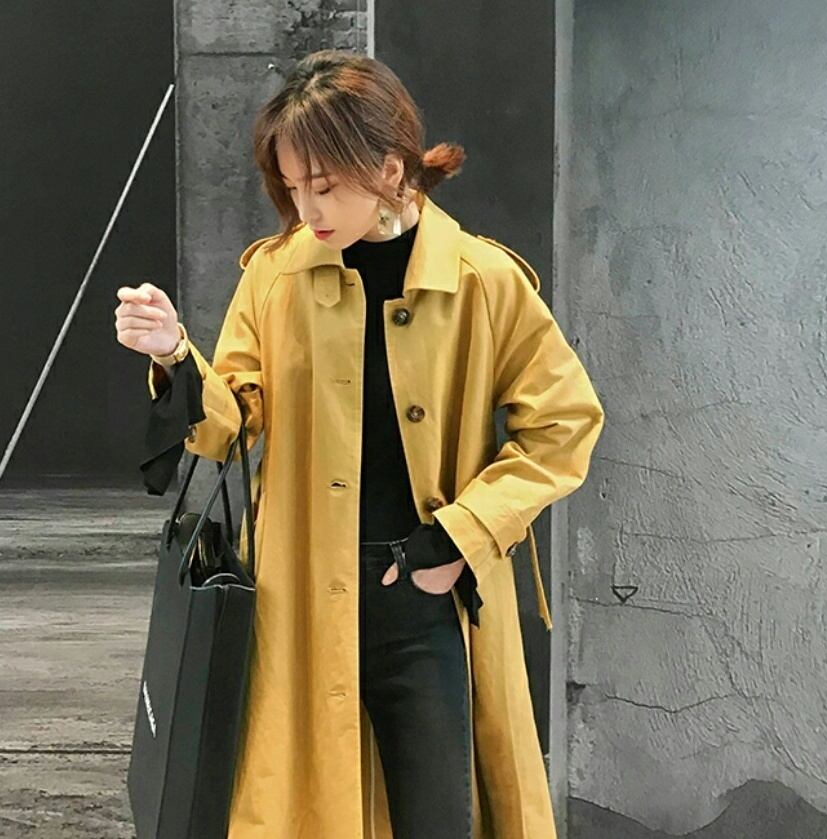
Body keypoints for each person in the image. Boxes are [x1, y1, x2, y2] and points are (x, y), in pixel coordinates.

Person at [115, 49, 605, 839]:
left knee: (440, 815)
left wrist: (459, 537)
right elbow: (233, 422)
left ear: (388, 168)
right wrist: (175, 355)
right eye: (292, 187)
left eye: (323, 184)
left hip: (428, 595)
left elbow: (564, 421)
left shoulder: (481, 280)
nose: (305, 208)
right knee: (308, 811)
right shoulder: (276, 276)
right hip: (301, 587)